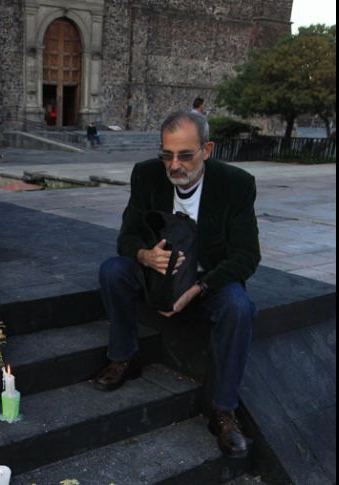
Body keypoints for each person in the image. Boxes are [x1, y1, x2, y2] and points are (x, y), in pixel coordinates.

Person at [94, 110, 260, 457]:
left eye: (185, 155)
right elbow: (126, 238)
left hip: (207, 278)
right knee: (113, 271)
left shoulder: (237, 184)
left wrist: (199, 288)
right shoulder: (146, 175)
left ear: (207, 149)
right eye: (166, 154)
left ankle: (223, 410)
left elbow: (247, 257)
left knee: (239, 307)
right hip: (158, 273)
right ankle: (124, 357)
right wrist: (144, 256)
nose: (174, 165)